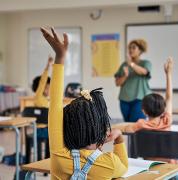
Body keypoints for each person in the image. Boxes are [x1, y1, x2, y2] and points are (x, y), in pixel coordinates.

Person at [40, 27, 128, 180]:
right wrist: (119, 138)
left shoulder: (59, 155)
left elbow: (54, 104)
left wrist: (59, 56)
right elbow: (124, 167)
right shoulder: (110, 163)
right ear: (101, 129)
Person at [115, 39, 152, 122]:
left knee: (137, 125)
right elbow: (117, 83)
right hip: (124, 100)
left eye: (133, 48)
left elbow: (144, 72)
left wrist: (131, 64)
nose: (130, 50)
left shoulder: (146, 63)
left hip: (140, 99)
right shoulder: (124, 65)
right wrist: (125, 76)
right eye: (129, 48)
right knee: (128, 125)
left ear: (140, 50)